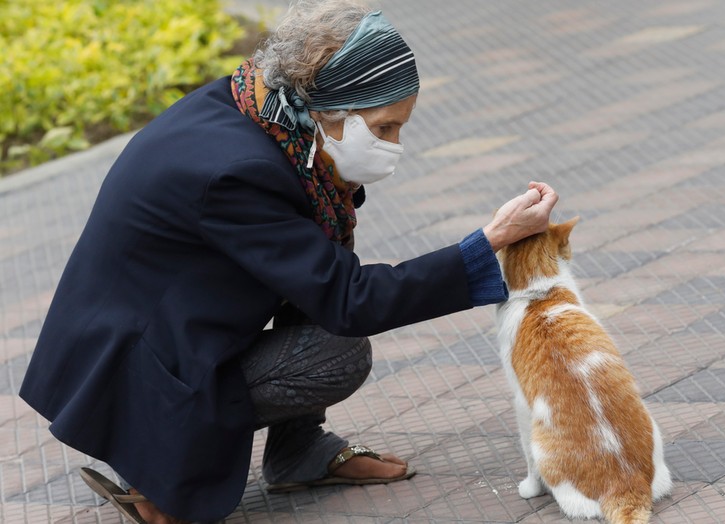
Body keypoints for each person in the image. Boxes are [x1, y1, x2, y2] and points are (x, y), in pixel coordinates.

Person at [18, 1, 558, 522]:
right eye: (386, 127)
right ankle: (154, 466)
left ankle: (298, 452)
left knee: (321, 244)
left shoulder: (255, 106)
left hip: (154, 334)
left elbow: (318, 269)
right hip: (131, 372)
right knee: (336, 353)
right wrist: (488, 242)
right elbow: (350, 301)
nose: (396, 145)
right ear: (329, 111)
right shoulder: (236, 171)